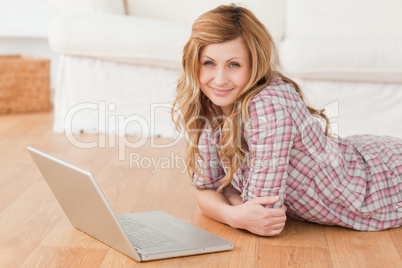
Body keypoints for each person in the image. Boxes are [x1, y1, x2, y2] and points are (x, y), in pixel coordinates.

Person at [171, 4, 402, 236]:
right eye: (209, 63)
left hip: (382, 184)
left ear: (255, 65)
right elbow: (206, 190)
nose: (219, 80)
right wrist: (234, 215)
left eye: (234, 65)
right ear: (194, 62)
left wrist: (231, 197)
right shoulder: (211, 101)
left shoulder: (268, 106)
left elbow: (263, 213)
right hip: (357, 152)